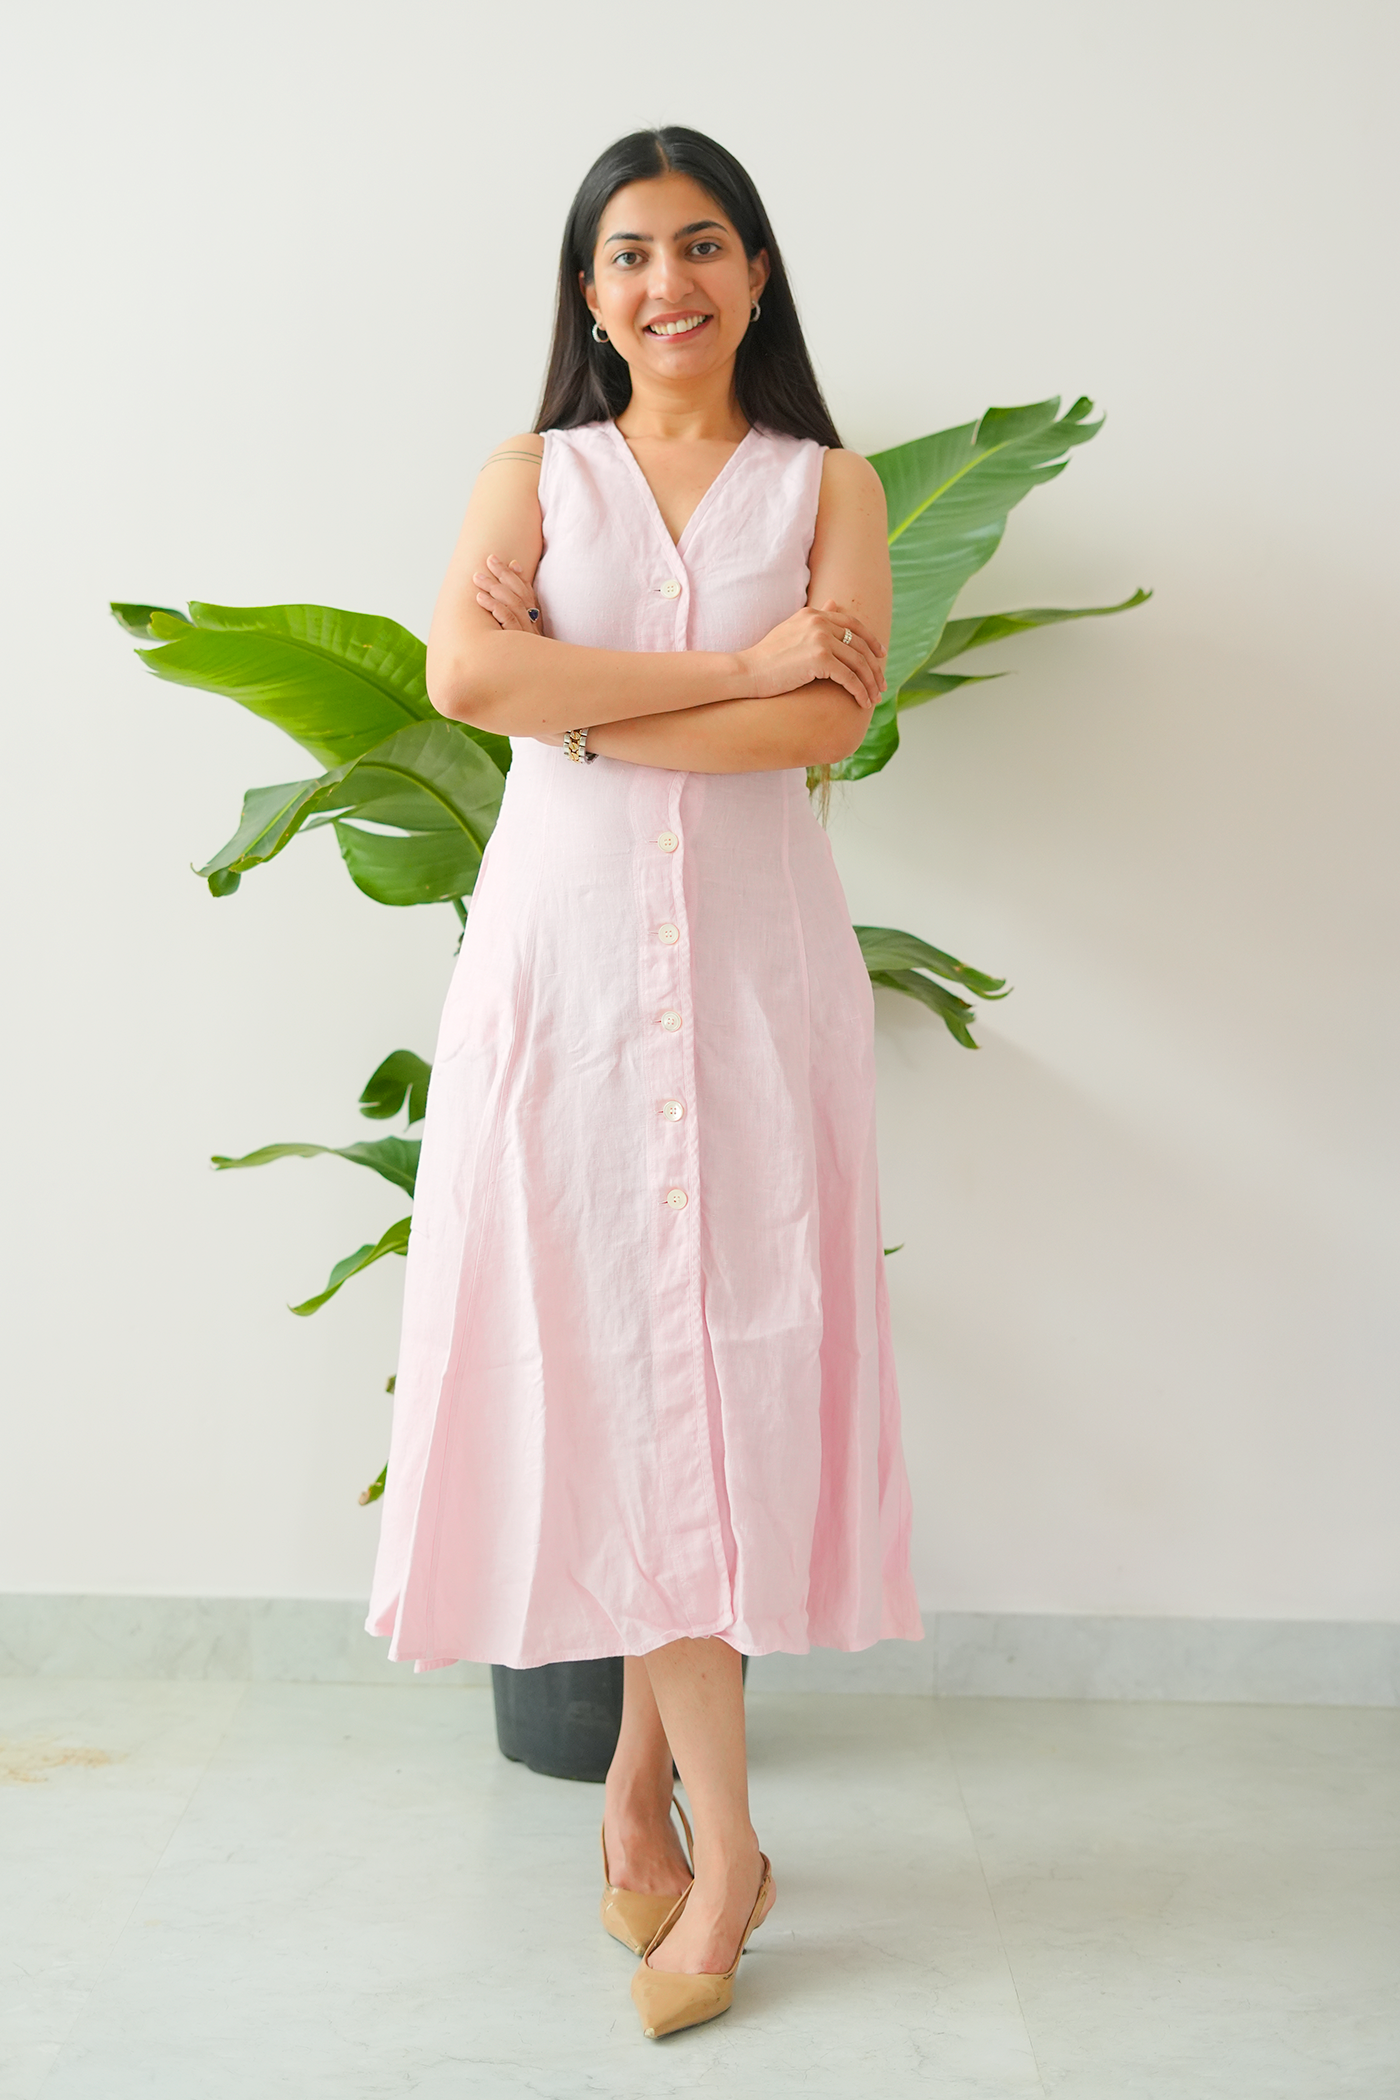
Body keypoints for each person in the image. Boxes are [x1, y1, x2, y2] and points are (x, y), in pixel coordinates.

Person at [367, 124, 923, 2039]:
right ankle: (709, 1830)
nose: (664, 283)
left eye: (701, 246)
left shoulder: (829, 485)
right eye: (625, 254)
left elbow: (828, 719)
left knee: (719, 1372)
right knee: (611, 1357)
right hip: (565, 976)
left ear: (756, 273)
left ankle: (667, 1805)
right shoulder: (531, 474)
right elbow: (464, 686)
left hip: (759, 989)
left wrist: (601, 693)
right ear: (585, 293)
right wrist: (725, 679)